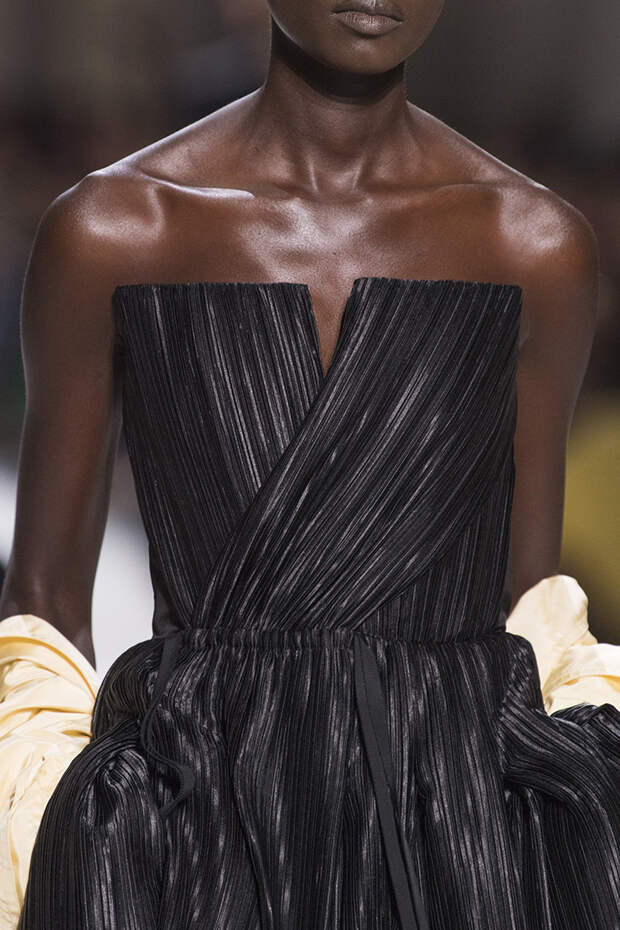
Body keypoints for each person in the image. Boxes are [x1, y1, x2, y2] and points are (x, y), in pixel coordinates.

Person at [0, 1, 619, 928]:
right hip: (193, 829)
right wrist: (64, 848)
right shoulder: (118, 230)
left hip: (457, 837)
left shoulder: (532, 245)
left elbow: (531, 603)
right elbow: (44, 602)